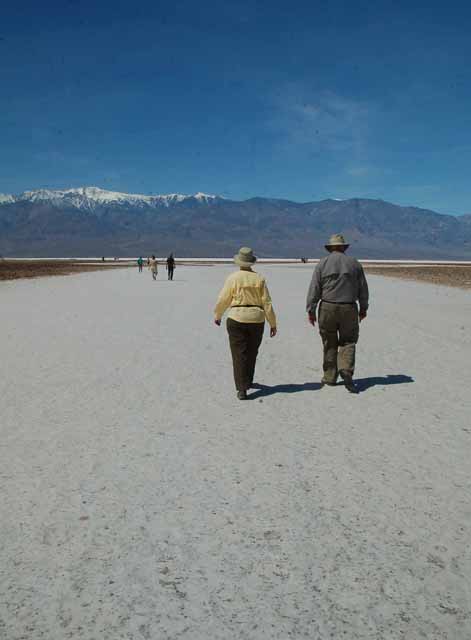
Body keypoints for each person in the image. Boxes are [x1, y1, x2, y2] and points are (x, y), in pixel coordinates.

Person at [306, 234, 369, 393]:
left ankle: (330, 377)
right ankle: (346, 370)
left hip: (327, 307)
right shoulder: (354, 264)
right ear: (343, 247)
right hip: (349, 307)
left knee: (329, 342)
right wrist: (363, 308)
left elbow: (315, 288)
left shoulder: (323, 263)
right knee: (348, 341)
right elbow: (363, 289)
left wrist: (311, 310)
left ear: (331, 248)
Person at [214, 247, 277, 400]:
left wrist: (218, 315)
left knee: (238, 354)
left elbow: (224, 299)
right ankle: (247, 381)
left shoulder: (233, 278)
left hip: (236, 318)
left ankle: (242, 389)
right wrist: (273, 323)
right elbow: (267, 303)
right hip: (257, 319)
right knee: (252, 352)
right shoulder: (259, 279)